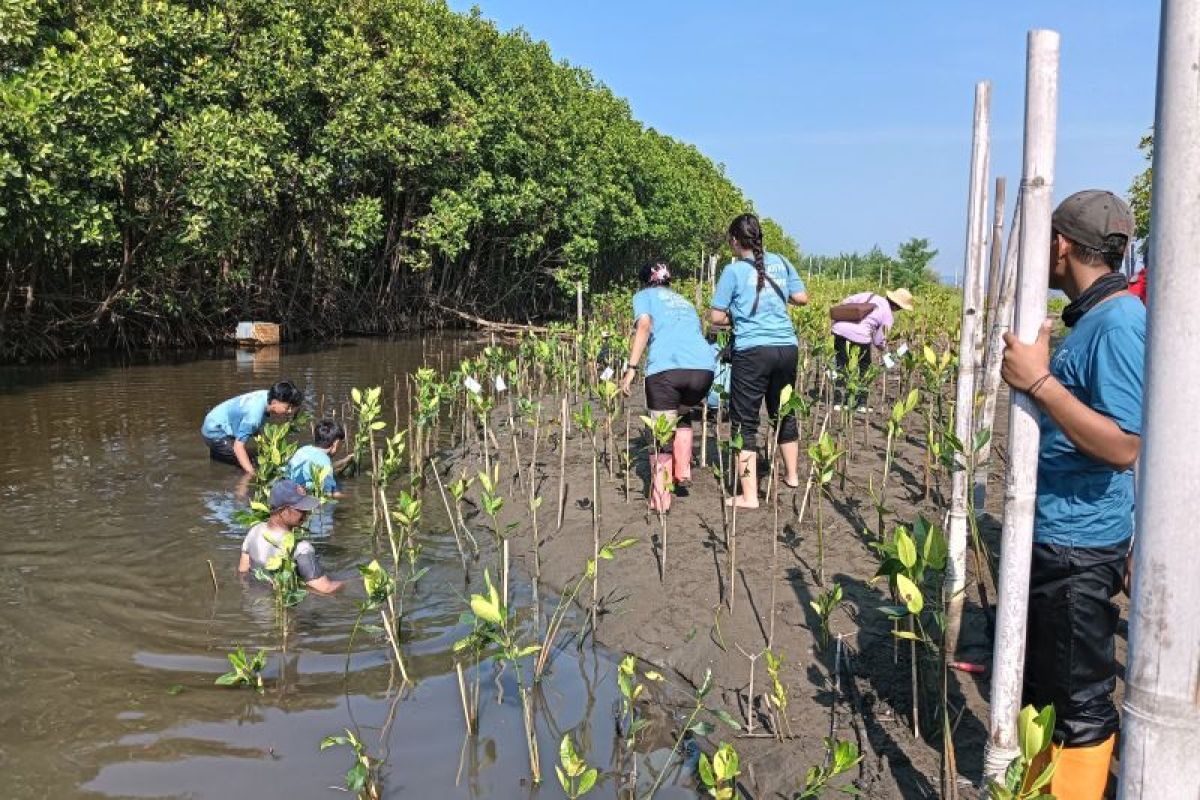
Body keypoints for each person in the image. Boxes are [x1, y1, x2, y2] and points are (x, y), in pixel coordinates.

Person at [1000, 190, 1143, 800]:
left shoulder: (1118, 325)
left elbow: (1123, 445)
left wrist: (1038, 381)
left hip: (1078, 549)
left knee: (1079, 703)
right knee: (1049, 693)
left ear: (1060, 245)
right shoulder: (1098, 317)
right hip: (1061, 538)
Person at [709, 213, 809, 509]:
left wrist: (738, 315)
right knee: (783, 412)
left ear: (735, 241)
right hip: (787, 349)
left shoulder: (734, 271)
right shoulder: (782, 261)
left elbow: (715, 317)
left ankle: (749, 495)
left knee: (745, 422)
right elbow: (802, 298)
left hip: (754, 352)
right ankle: (792, 476)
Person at [620, 260, 715, 512]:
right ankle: (682, 472)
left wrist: (631, 368)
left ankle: (660, 499)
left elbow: (644, 325)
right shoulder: (684, 301)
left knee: (661, 433)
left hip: (667, 370)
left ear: (645, 282)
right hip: (704, 371)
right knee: (682, 411)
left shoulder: (643, 296)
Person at [238, 479, 344, 594]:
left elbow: (243, 571)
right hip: (283, 609)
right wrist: (351, 582)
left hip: (255, 606)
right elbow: (325, 589)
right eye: (300, 509)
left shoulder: (255, 531)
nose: (306, 513)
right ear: (283, 511)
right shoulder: (301, 548)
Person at [829, 288, 914, 410]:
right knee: (864, 370)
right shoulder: (888, 315)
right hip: (860, 338)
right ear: (897, 307)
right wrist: (883, 348)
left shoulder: (870, 295)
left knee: (841, 365)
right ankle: (861, 404)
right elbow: (879, 340)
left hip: (839, 331)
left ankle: (838, 401)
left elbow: (846, 302)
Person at [201, 381, 304, 475]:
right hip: (214, 432)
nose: (289, 411)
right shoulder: (254, 416)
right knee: (251, 464)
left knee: (234, 457)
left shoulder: (267, 395)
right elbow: (238, 447)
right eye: (287, 407)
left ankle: (217, 460)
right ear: (274, 402)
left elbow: (254, 428)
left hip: (217, 421)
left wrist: (265, 446)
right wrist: (252, 474)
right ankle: (240, 490)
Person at [287, 419, 346, 497]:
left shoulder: (303, 449)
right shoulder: (325, 463)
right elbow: (330, 494)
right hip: (304, 498)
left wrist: (344, 461)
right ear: (336, 443)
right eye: (341, 443)